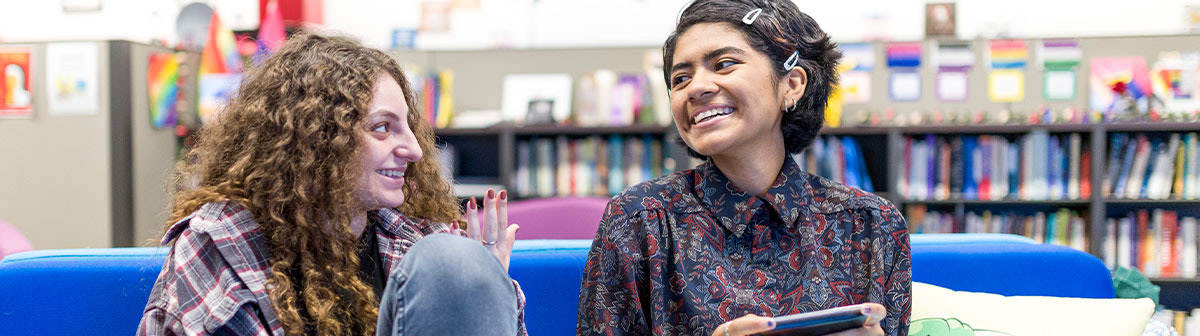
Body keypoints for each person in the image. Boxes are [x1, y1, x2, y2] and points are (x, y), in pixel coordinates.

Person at [137, 33, 525, 336]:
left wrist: (480, 296)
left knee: (455, 266)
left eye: (408, 126)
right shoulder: (220, 244)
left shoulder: (416, 238)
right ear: (318, 140)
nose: (414, 150)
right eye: (382, 128)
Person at [577, 1, 911, 335]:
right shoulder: (640, 220)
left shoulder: (870, 224)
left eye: (723, 64)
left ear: (792, 84)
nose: (696, 87)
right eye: (680, 79)